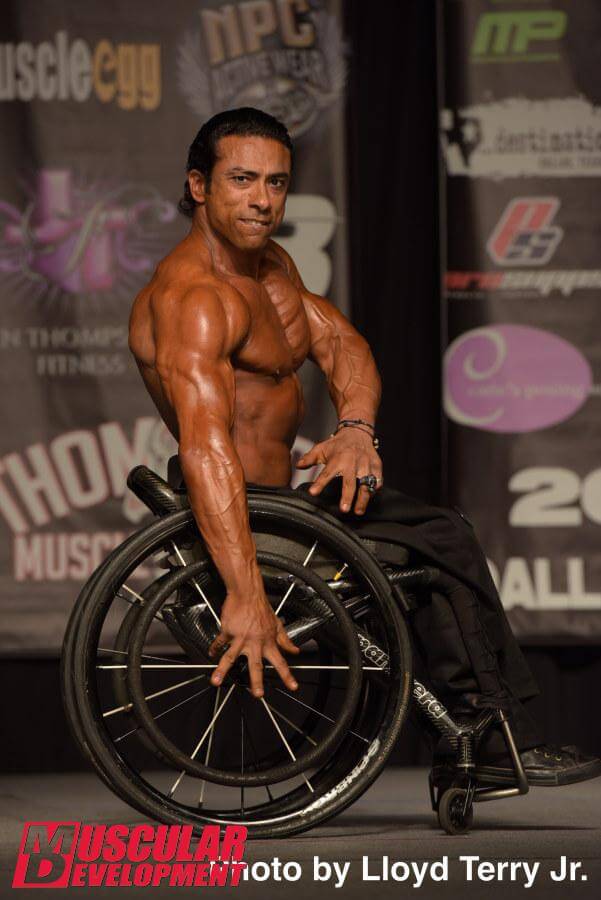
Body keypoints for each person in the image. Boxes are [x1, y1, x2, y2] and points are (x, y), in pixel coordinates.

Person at [128, 107, 601, 786]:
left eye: (276, 182)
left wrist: (355, 429)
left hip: (281, 507)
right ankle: (490, 742)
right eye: (241, 180)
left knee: (437, 535)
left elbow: (342, 345)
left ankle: (476, 738)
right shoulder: (193, 298)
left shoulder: (269, 268)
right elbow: (205, 448)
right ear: (199, 186)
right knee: (440, 539)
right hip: (249, 519)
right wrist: (245, 592)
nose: (262, 200)